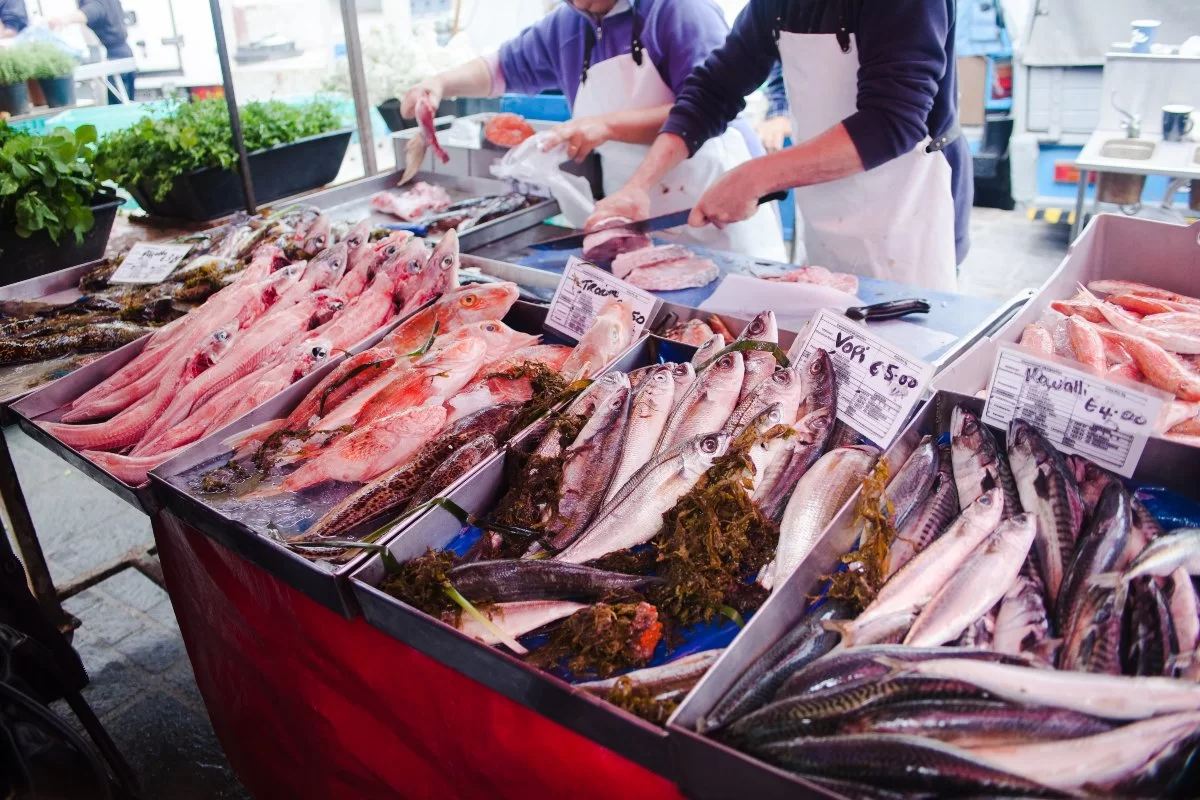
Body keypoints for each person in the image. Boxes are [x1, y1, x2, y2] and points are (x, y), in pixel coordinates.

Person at [590, 0, 972, 292]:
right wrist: (637, 186)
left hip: (908, 204)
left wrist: (757, 177)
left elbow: (893, 120)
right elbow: (714, 90)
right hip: (829, 198)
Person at [401, 0, 787, 262]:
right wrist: (439, 84)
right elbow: (500, 68)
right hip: (632, 208)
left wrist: (606, 125)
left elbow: (706, 104)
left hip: (714, 198)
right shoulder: (567, 25)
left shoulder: (680, 10)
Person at [51, 0, 134, 104]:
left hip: (114, 55)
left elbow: (92, 10)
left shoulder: (96, 4)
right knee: (125, 102)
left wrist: (63, 20)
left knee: (117, 105)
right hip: (124, 52)